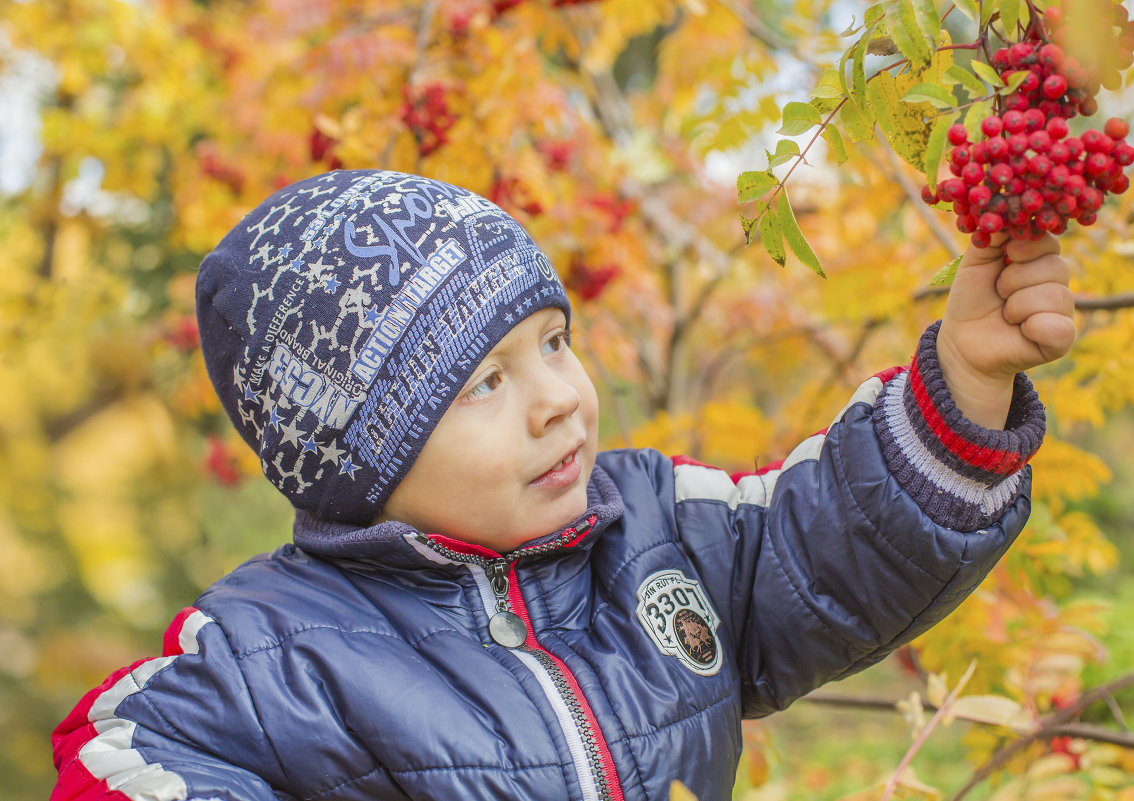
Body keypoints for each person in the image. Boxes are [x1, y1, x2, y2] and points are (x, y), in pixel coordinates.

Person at [51, 169, 1073, 801]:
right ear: (360, 455)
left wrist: (971, 381)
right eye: (483, 382)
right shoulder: (285, 649)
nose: (557, 400)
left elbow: (829, 546)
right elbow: (119, 749)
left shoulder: (658, 533)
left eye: (553, 343)